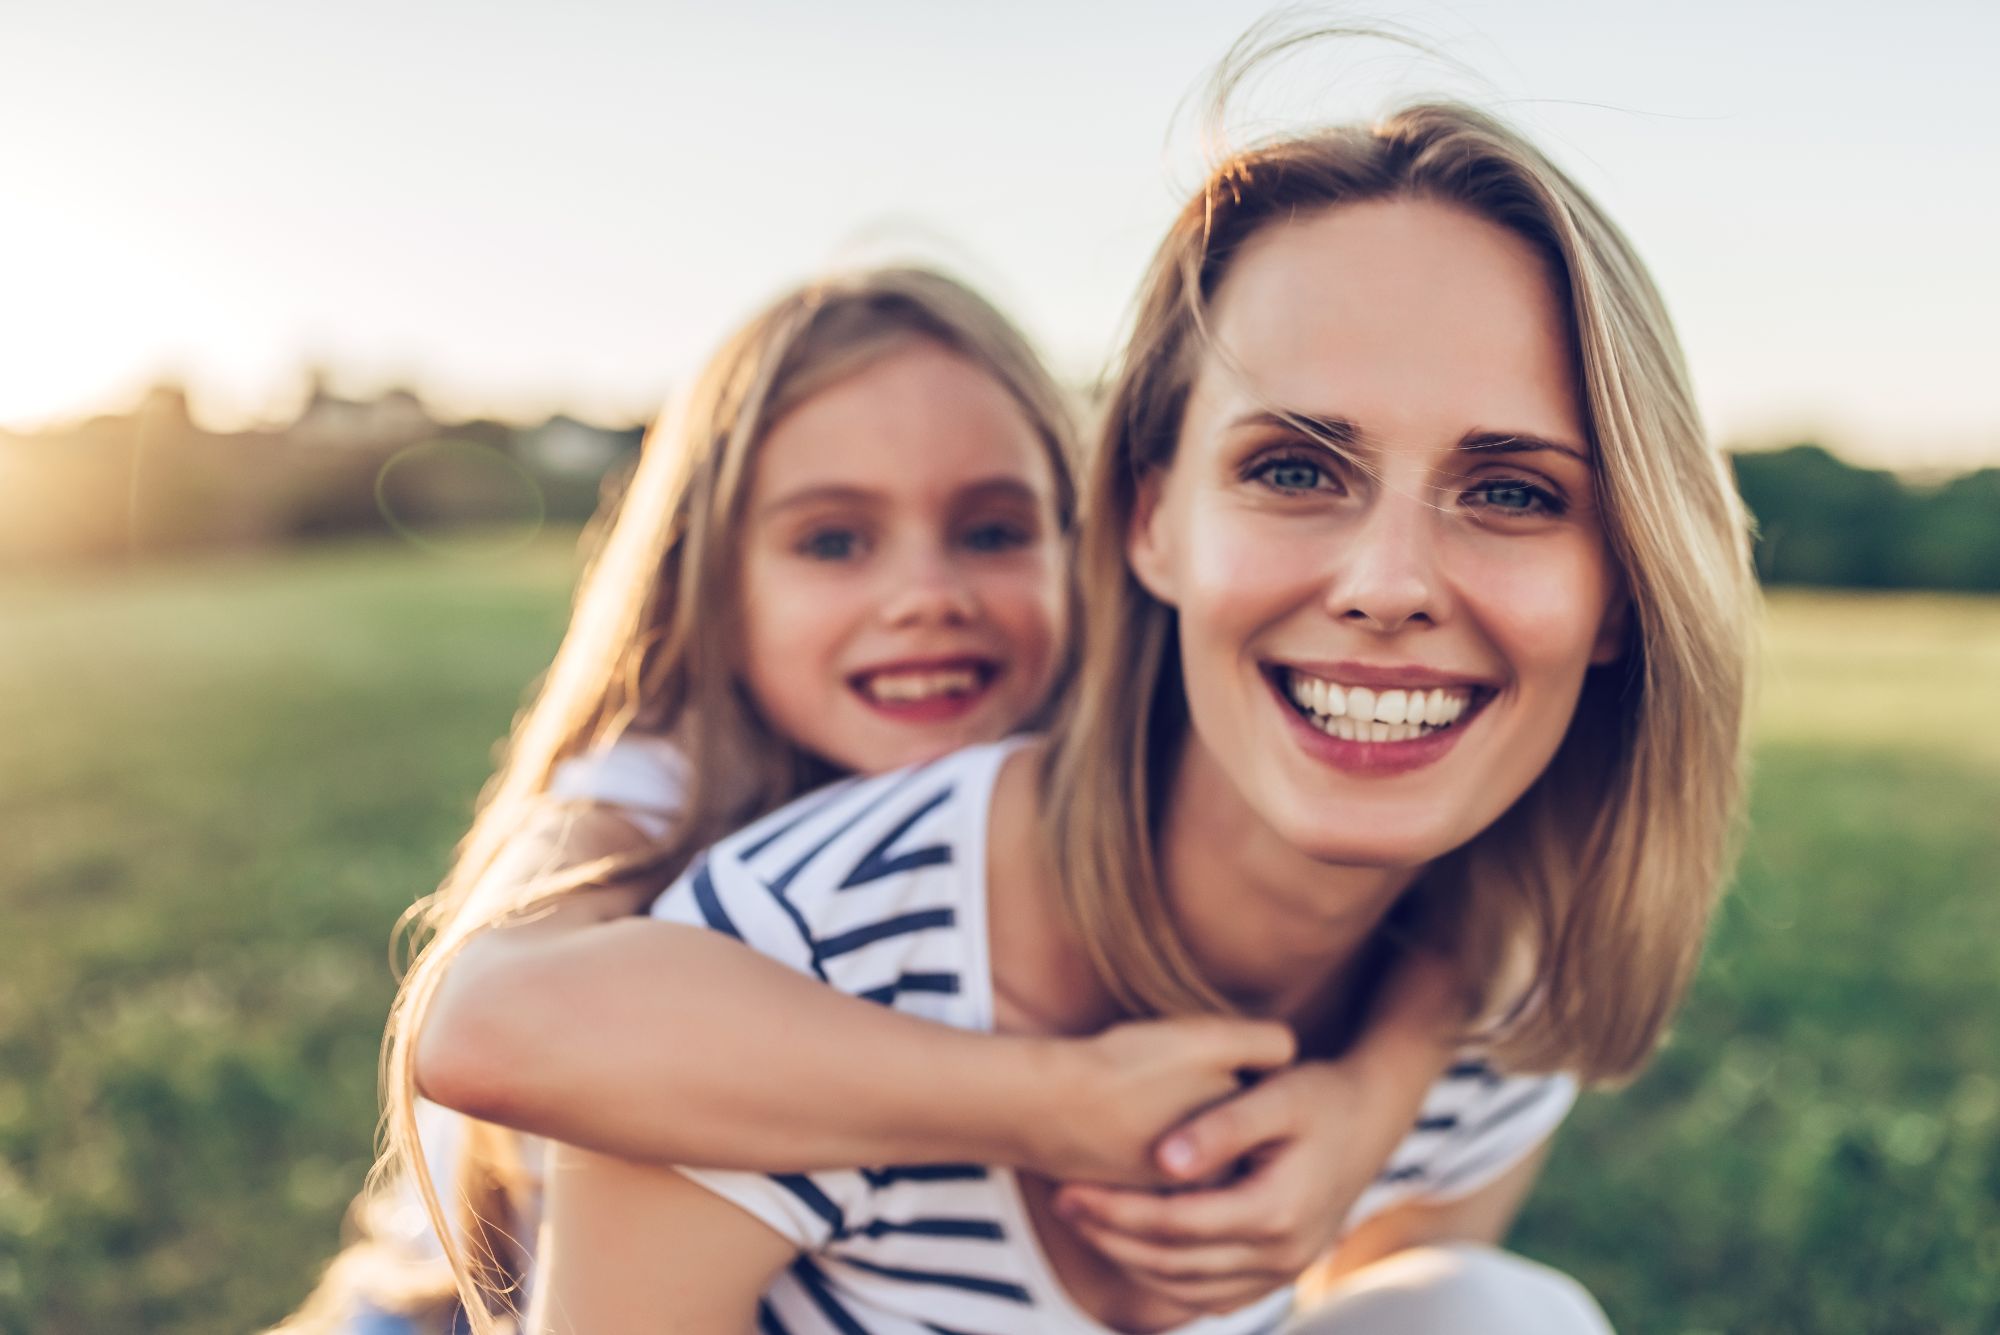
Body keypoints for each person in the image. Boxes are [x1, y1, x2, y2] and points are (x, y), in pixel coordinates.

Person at [512, 80, 1757, 1335]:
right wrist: (1051, 1099)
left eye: (1513, 493)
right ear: (1148, 522)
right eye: (1290, 468)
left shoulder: (1485, 996)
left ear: (1621, 590)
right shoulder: (764, 948)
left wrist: (1385, 1082)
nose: (1387, 587)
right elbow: (487, 1020)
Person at [276, 265, 1461, 1335]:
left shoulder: (1090, 773)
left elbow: (1459, 886)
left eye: (992, 531)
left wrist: (1369, 1100)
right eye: (834, 541)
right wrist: (1053, 1104)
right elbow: (486, 1027)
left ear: (1091, 549)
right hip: (450, 1310)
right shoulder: (650, 781)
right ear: (715, 581)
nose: (924, 595)